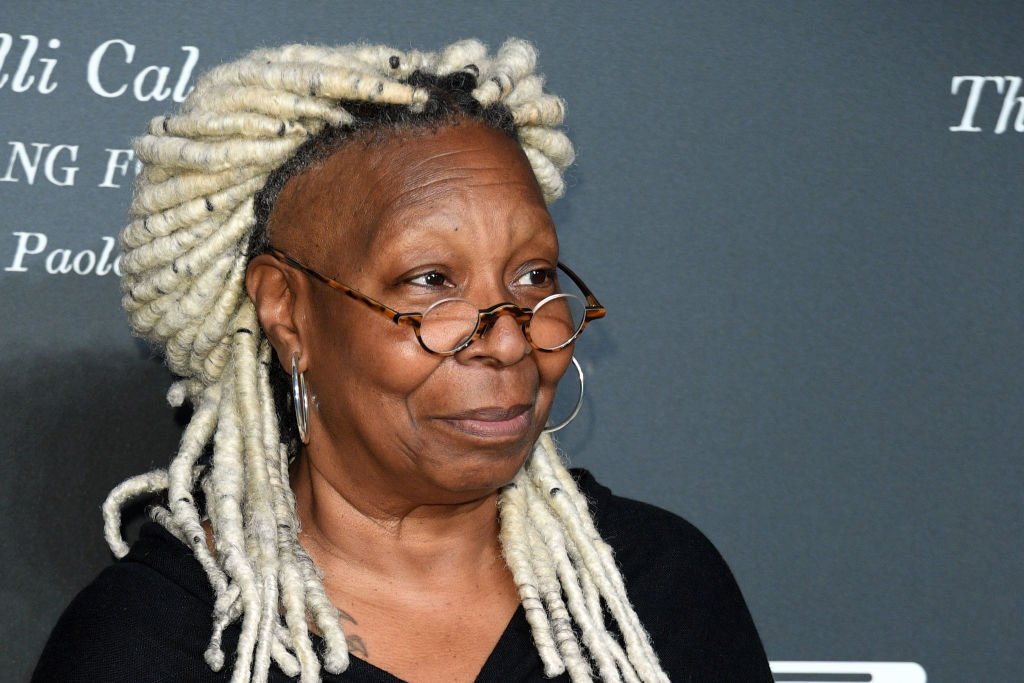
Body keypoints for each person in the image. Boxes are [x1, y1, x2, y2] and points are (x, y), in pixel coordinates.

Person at [33, 39, 772, 682]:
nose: (510, 340)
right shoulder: (152, 645)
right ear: (286, 311)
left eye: (534, 277)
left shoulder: (658, 588)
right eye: (431, 282)